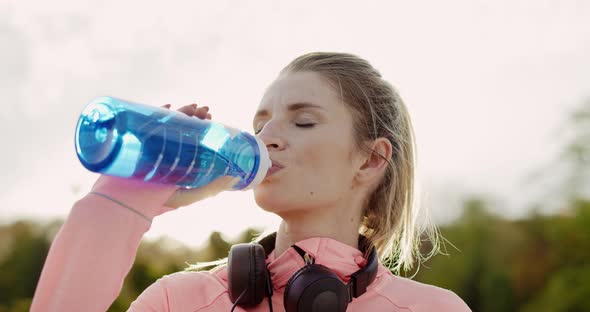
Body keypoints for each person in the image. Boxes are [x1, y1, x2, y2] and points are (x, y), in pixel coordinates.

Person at [31, 52, 471, 311]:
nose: (267, 138)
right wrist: (123, 201)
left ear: (371, 160)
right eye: (260, 124)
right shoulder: (178, 301)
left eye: (302, 122)